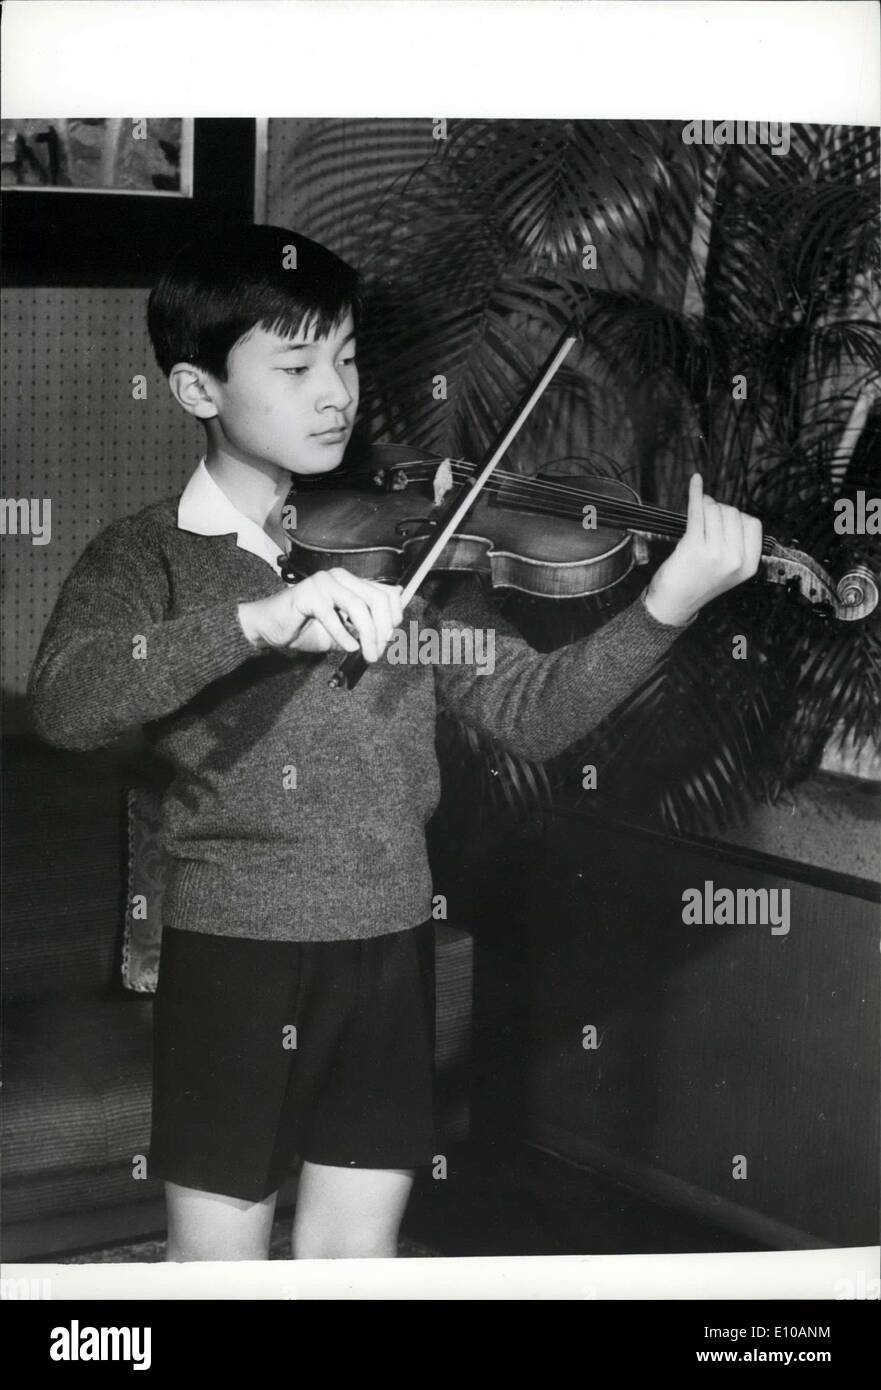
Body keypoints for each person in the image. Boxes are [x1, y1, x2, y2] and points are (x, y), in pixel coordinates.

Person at [27, 224, 763, 1261]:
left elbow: (532, 710)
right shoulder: (150, 556)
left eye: (346, 356)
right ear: (196, 390)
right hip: (234, 953)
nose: (335, 392)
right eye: (293, 365)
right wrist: (255, 622)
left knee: (354, 1261)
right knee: (217, 1263)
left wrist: (666, 606)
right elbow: (68, 702)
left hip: (388, 938)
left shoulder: (398, 544)